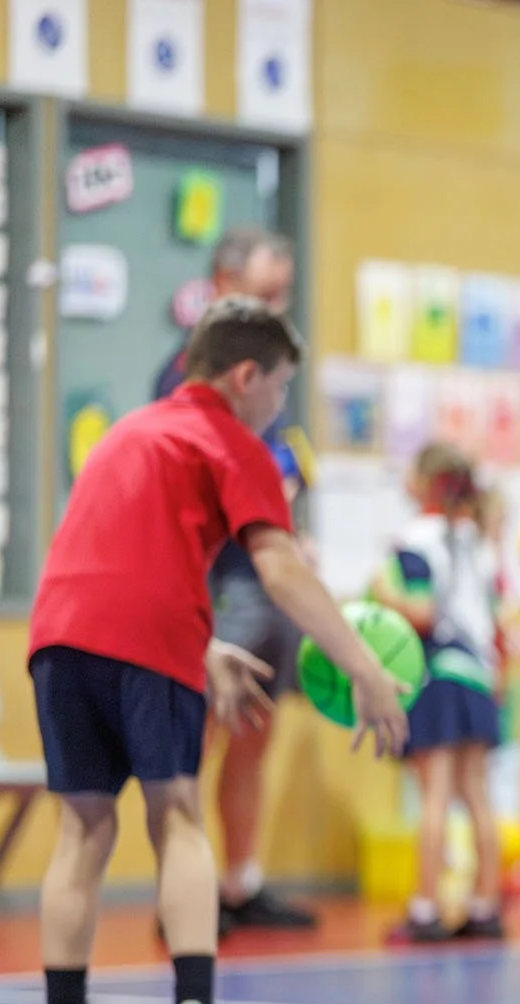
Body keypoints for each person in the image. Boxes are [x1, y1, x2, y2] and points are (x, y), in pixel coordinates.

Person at [25, 297, 409, 1004]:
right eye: (278, 388)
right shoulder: (235, 442)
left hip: (57, 639)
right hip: (148, 640)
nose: (278, 407)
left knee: (82, 828)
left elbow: (113, 568)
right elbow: (280, 569)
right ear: (245, 376)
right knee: (178, 818)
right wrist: (365, 668)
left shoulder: (128, 432)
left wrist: (204, 648)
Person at [153, 226, 320, 931]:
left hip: (269, 578)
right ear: (223, 285)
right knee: (202, 735)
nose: (278, 304)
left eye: (284, 292)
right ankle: (181, 892)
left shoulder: (270, 381)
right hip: (223, 582)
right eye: (265, 292)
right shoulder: (191, 371)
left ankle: (238, 885)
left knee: (255, 732)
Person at [373, 445, 506, 944]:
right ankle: (485, 904)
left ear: (425, 482)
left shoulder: (415, 538)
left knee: (432, 794)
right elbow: (496, 615)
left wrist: (383, 594)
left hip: (438, 670)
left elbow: (423, 612)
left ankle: (426, 908)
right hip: (478, 673)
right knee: (476, 794)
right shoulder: (478, 540)